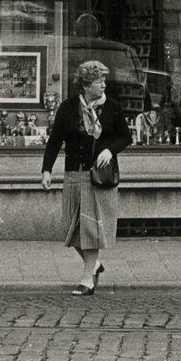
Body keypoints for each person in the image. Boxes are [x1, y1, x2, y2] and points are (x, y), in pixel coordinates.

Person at [40, 59, 131, 296]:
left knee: (90, 229)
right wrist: (47, 170)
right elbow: (55, 141)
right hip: (73, 174)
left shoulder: (112, 107)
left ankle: (87, 278)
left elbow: (125, 136)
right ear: (86, 85)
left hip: (97, 177)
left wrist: (109, 149)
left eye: (103, 81)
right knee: (72, 230)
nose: (103, 86)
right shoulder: (68, 108)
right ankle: (96, 265)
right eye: (98, 82)